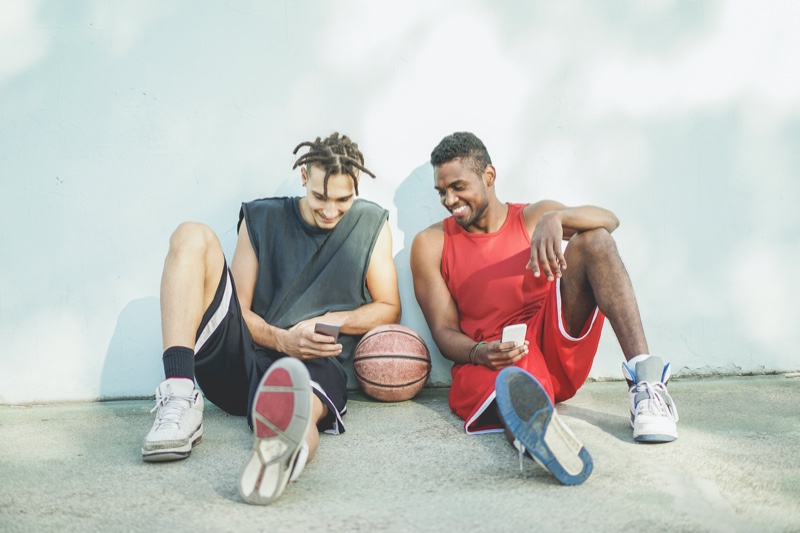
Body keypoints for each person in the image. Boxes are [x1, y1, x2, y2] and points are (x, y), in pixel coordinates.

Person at [141, 132, 401, 504]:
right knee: (190, 234)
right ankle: (180, 395)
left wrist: (330, 321)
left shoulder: (371, 223)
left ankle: (280, 454)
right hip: (244, 359)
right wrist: (282, 339)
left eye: (343, 200)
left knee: (297, 412)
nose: (330, 211)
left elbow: (389, 306)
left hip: (315, 363)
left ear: (355, 189)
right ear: (303, 179)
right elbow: (240, 309)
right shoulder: (261, 217)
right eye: (319, 197)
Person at [410, 132, 678, 486]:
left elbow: (610, 220)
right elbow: (444, 333)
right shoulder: (431, 244)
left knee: (595, 239)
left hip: (553, 347)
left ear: (489, 176)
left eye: (458, 187)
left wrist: (559, 218)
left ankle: (647, 388)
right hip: (493, 358)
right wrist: (480, 352)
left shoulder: (532, 217)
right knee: (513, 391)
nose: (449, 199)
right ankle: (541, 436)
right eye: (441, 191)